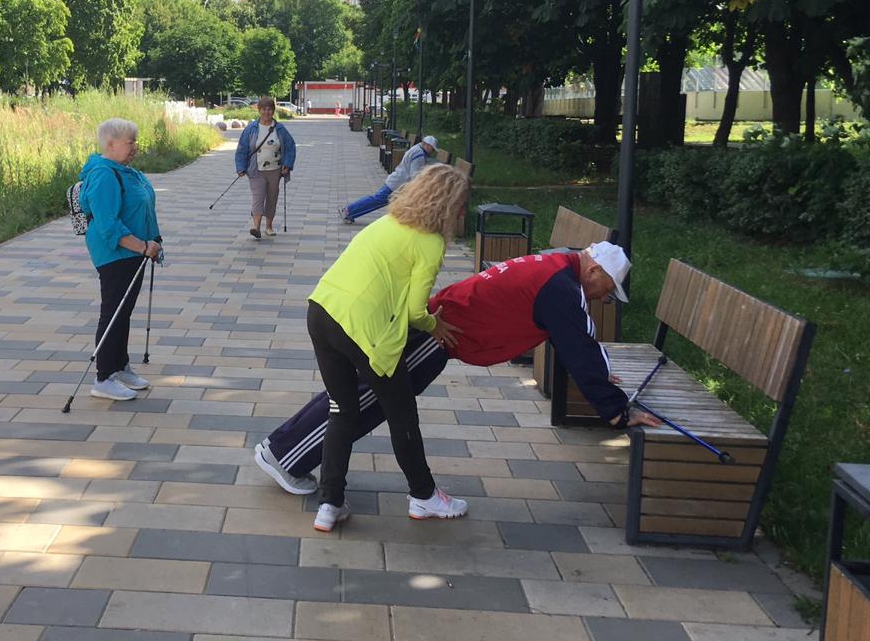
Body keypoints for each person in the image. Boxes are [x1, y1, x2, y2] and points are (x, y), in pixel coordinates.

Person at [254, 242, 662, 495]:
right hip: (437, 334)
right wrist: (617, 410)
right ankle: (285, 455)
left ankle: (283, 449)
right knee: (363, 400)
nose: (601, 299)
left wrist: (602, 373)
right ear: (593, 271)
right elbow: (580, 343)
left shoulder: (558, 263)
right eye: (605, 292)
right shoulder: (562, 287)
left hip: (439, 325)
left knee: (358, 395)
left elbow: (581, 340)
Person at [306, 164, 471, 532]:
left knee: (342, 410)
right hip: (364, 331)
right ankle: (424, 496)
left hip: (321, 312)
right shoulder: (429, 243)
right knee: (401, 413)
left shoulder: (387, 222)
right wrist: (436, 325)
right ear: (445, 204)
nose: (463, 213)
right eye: (460, 204)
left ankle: (329, 504)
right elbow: (415, 312)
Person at [79, 118, 162, 402]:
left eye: (135, 141)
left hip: (134, 253)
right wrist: (141, 246)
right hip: (116, 254)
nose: (135, 147)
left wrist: (154, 242)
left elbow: (143, 208)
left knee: (123, 312)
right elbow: (108, 226)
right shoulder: (104, 175)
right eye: (130, 142)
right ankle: (103, 376)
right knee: (113, 311)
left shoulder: (126, 171)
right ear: (111, 144)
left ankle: (119, 366)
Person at [234, 97, 297, 239]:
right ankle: (256, 226)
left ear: (273, 111)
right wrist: (240, 167)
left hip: (275, 170)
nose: (267, 112)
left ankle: (269, 226)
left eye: (269, 109)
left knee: (272, 198)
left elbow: (291, 147)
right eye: (264, 109)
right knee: (258, 197)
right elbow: (242, 149)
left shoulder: (279, 129)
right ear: (259, 110)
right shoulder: (251, 128)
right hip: (256, 170)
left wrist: (287, 164)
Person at [339, 136, 440, 223]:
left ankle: (349, 212)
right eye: (432, 148)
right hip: (398, 183)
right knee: (378, 200)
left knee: (380, 200)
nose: (432, 151)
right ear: (427, 145)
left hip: (397, 181)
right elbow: (415, 174)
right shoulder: (419, 155)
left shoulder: (416, 149)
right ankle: (348, 211)